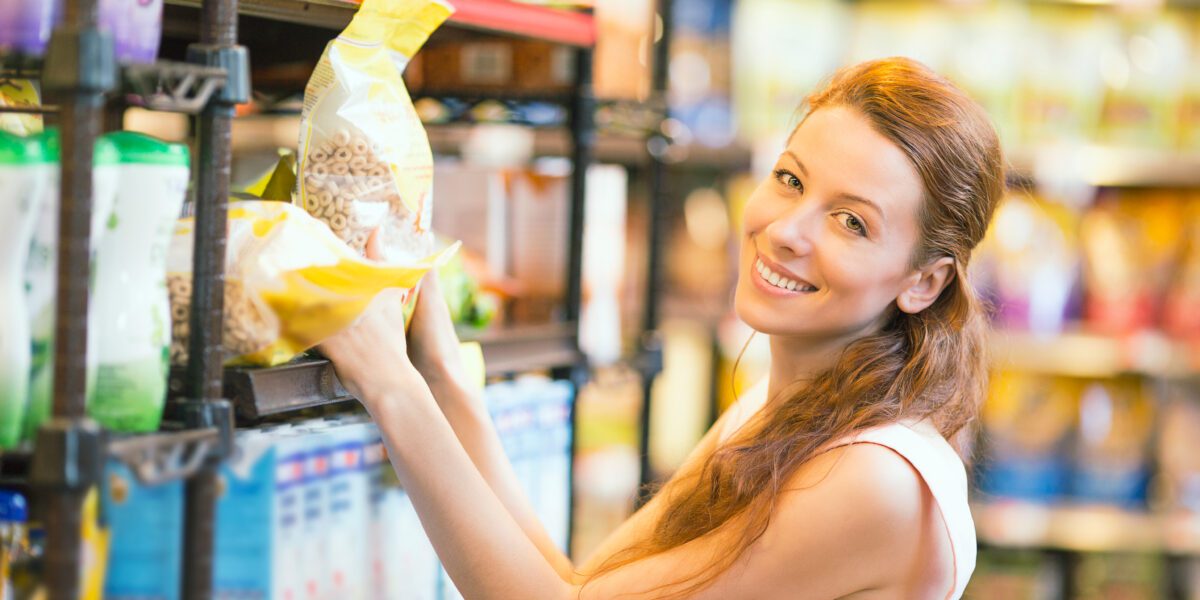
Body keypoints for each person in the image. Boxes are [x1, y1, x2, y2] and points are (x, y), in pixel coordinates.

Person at [321, 56, 1004, 600]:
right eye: (791, 180)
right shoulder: (778, 410)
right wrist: (441, 379)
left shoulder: (875, 477)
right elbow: (577, 585)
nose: (786, 230)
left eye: (851, 221)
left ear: (924, 282)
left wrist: (390, 388)